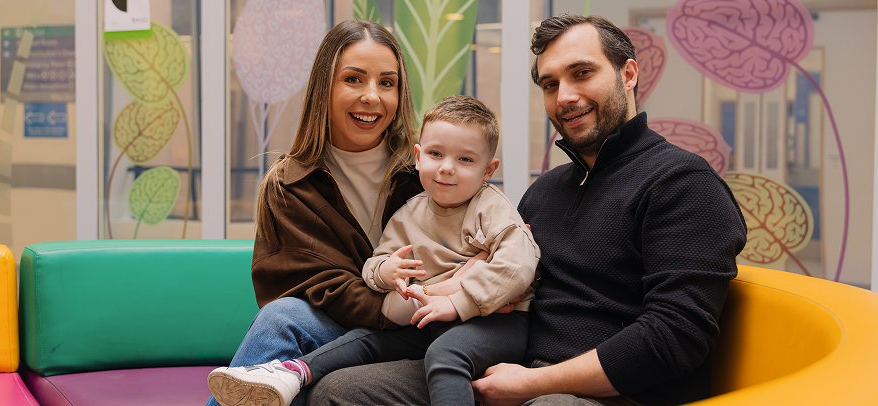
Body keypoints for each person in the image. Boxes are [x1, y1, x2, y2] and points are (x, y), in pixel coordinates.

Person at [307, 14, 748, 406]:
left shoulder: (682, 183)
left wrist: (531, 384)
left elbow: (674, 339)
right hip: (508, 362)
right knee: (339, 391)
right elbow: (504, 277)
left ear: (628, 74)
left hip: (609, 394)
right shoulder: (548, 190)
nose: (565, 96)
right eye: (550, 84)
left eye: (582, 73)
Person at [208, 95, 540, 406]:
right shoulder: (410, 212)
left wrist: (459, 300)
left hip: (496, 324)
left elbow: (519, 264)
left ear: (488, 170)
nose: (447, 167)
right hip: (428, 319)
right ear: (419, 156)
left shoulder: (490, 207)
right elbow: (375, 263)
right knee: (366, 341)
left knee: (446, 356)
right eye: (436, 155)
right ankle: (291, 373)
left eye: (465, 159)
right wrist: (384, 272)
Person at [202, 19, 425, 406]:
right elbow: (319, 288)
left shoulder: (428, 171)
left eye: (386, 83)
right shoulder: (289, 184)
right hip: (347, 324)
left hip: (423, 324)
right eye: (354, 79)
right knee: (285, 321)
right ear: (325, 87)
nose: (372, 96)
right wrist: (392, 307)